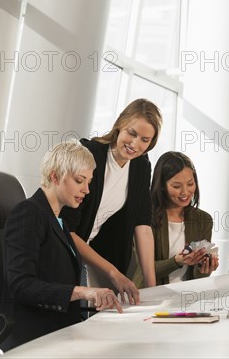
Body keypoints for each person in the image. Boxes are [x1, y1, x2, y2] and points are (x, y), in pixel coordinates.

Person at [2, 141, 122, 351]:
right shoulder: (28, 214)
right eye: (79, 181)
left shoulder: (59, 222)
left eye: (89, 182)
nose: (86, 190)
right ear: (55, 176)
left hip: (62, 332)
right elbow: (21, 286)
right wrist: (83, 292)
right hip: (36, 339)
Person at [61, 98, 163, 304]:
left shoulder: (140, 165)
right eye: (131, 133)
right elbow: (66, 228)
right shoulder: (89, 154)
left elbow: (142, 227)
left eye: (145, 139)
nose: (135, 144)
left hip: (96, 253)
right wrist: (113, 273)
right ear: (119, 125)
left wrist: (153, 290)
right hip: (63, 249)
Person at [134, 151, 219, 287]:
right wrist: (177, 261)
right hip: (149, 295)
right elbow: (144, 269)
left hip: (186, 297)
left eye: (190, 184)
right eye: (176, 186)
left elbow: (198, 277)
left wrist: (205, 268)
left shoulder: (203, 220)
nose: (185, 192)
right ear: (162, 186)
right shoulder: (146, 217)